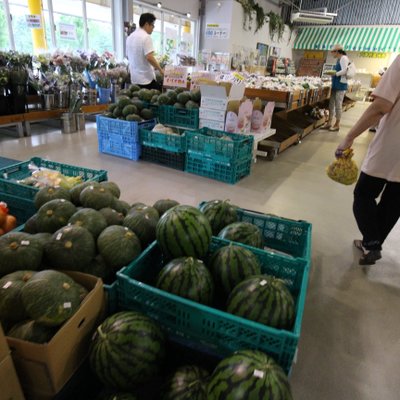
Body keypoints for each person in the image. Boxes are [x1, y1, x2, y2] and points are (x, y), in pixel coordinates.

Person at [335, 55, 400, 265]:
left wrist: (349, 136)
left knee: (363, 194)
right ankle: (370, 244)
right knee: (394, 202)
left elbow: (380, 107)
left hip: (392, 146)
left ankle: (371, 242)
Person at [126, 13, 163, 90]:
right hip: (146, 80)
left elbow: (128, 56)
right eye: (152, 25)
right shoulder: (146, 37)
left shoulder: (130, 37)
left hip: (134, 79)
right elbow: (149, 57)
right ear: (146, 24)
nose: (153, 28)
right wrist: (160, 70)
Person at [321, 44, 350, 132]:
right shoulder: (339, 59)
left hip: (340, 85)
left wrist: (335, 73)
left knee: (338, 105)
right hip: (336, 84)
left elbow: (345, 70)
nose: (331, 54)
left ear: (337, 51)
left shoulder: (344, 58)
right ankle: (329, 122)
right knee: (331, 104)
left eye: (332, 52)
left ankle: (337, 124)